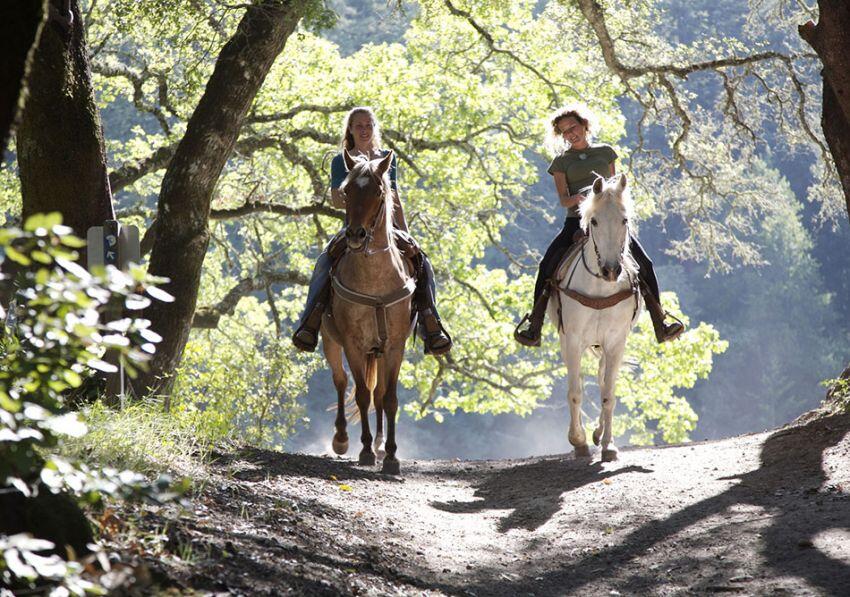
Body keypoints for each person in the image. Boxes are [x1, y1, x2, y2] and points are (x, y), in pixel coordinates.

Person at [514, 103, 684, 346]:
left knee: (645, 263)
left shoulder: (605, 152)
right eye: (564, 131)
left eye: (573, 127)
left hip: (609, 222)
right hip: (577, 222)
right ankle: (535, 324)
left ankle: (661, 320)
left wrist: (608, 202)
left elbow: (615, 189)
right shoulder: (561, 162)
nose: (570, 133)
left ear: (584, 125)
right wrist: (586, 199)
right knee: (546, 264)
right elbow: (564, 200)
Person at [292, 107, 452, 355]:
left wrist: (406, 233)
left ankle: (431, 323)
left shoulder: (387, 158)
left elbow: (395, 197)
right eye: (359, 126)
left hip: (386, 228)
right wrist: (353, 192)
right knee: (324, 261)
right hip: (354, 227)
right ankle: (310, 323)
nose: (364, 130)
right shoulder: (341, 160)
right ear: (351, 129)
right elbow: (336, 201)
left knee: (423, 263)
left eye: (368, 125)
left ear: (374, 128)